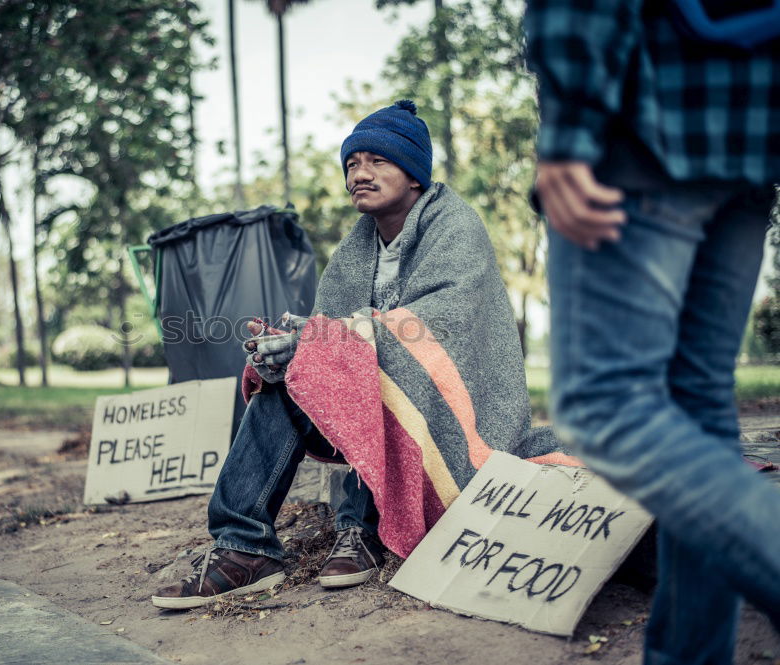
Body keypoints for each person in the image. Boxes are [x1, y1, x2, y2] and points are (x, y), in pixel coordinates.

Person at [152, 100, 568, 610]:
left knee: (370, 370)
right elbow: (331, 335)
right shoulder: (357, 248)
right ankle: (244, 547)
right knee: (291, 379)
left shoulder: (456, 226)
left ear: (414, 174)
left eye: (377, 161)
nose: (360, 174)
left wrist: (326, 342)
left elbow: (440, 326)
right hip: (377, 386)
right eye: (352, 164)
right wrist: (287, 352)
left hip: (457, 411)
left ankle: (360, 528)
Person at [525, 0, 780, 660]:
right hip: (750, 136)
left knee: (603, 405)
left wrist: (570, 129)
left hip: (648, 113)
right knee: (699, 410)